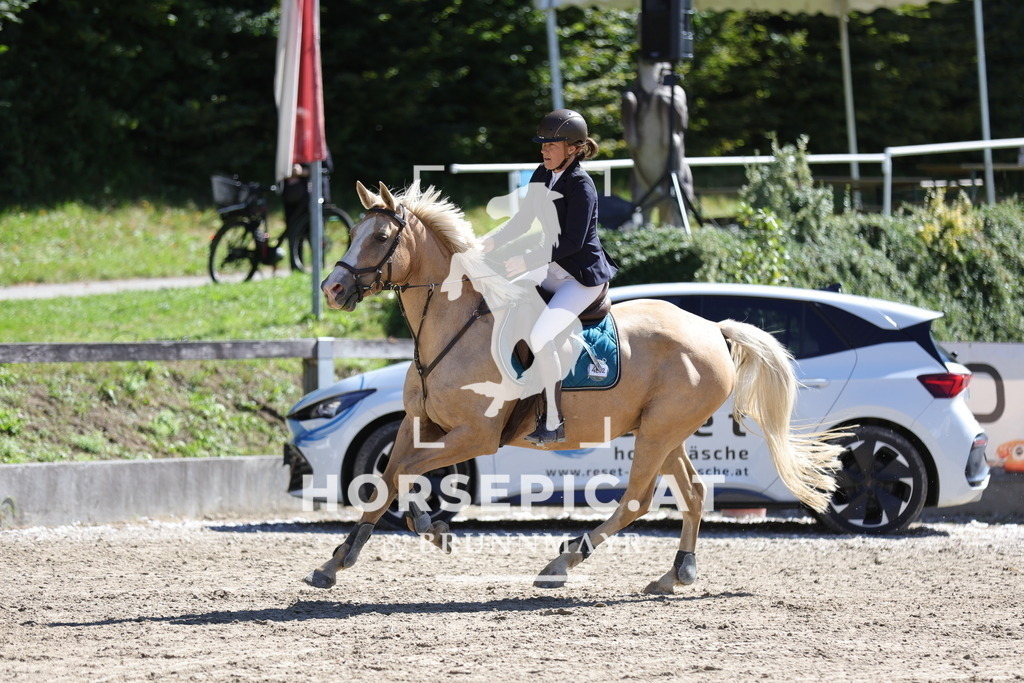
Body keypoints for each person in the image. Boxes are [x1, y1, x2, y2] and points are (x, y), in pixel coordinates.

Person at [482, 109, 618, 444]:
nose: (544, 150)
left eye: (551, 145)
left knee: (541, 335)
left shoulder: (581, 186)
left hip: (580, 277)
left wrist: (526, 259)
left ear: (573, 148)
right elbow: (522, 222)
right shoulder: (542, 175)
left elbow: (573, 242)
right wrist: (488, 244)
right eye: (542, 144)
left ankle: (554, 421)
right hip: (551, 268)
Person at [281, 151, 334, 270]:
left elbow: (327, 168)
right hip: (292, 196)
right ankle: (295, 268)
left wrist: (303, 172)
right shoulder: (288, 141)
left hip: (314, 196)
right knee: (294, 233)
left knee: (315, 234)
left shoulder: (317, 139)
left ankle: (319, 268)